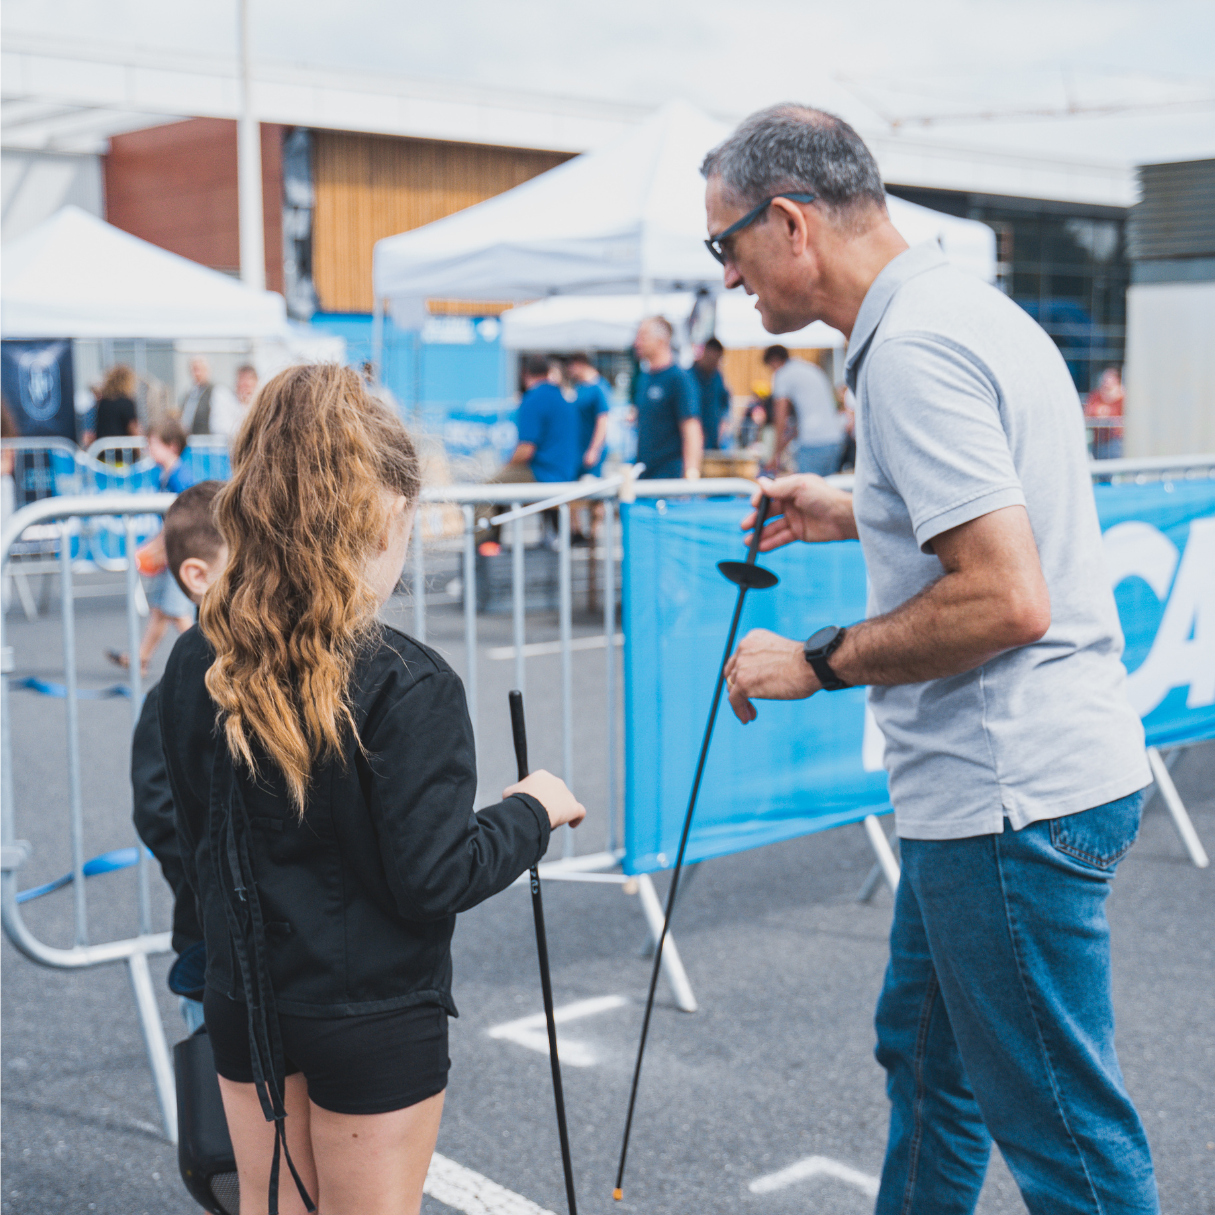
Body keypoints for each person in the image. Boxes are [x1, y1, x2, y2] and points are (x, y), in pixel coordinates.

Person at [704, 104, 1157, 1214]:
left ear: (793, 224)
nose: (728, 280)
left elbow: (1007, 595)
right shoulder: (956, 309)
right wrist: (851, 506)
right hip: (1004, 791)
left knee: (1068, 1149)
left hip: (1007, 799)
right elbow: (1000, 511)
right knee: (927, 1067)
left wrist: (816, 660)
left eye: (726, 245)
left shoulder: (909, 349)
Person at [157, 364, 586, 1214]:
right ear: (384, 509)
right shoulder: (404, 682)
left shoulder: (198, 656)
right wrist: (532, 810)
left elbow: (191, 826)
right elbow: (432, 875)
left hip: (246, 993)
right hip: (371, 1011)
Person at [131, 480, 228, 1033]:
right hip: (211, 934)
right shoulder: (169, 697)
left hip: (293, 952)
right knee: (224, 1100)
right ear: (198, 576)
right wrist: (213, 875)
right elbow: (157, 810)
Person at [106, 417, 197, 676]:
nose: (148, 448)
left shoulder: (181, 478)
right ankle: (140, 658)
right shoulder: (166, 476)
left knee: (178, 614)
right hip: (174, 553)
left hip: (181, 553)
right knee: (160, 610)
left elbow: (182, 521)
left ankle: (206, 660)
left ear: (172, 446)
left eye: (153, 443)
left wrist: (155, 548)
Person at [632, 317, 703, 480]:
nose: (637, 343)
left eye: (642, 337)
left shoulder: (679, 378)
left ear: (661, 340)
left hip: (669, 477)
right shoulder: (645, 378)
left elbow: (692, 429)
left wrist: (690, 475)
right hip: (645, 473)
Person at [764, 345, 844, 475]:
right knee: (826, 491)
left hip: (814, 443)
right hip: (834, 440)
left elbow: (780, 418)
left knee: (808, 492)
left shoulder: (783, 374)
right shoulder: (808, 368)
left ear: (774, 361)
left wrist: (775, 455)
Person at [568, 352, 611, 475]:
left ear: (580, 364)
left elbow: (602, 420)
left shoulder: (599, 388)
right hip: (578, 450)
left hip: (590, 450)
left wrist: (594, 449)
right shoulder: (579, 387)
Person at [180, 356, 238, 437]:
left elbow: (221, 426)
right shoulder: (189, 394)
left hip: (209, 443)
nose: (197, 374)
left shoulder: (217, 392)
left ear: (208, 370)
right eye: (194, 370)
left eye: (199, 370)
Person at [691, 337, 731, 451]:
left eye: (717, 360)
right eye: (711, 359)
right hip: (694, 440)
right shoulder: (688, 376)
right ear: (704, 353)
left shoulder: (717, 377)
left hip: (713, 439)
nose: (713, 363)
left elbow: (725, 403)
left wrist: (724, 424)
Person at [88, 365, 140, 446]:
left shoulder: (103, 403)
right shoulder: (127, 403)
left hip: (103, 452)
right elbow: (133, 428)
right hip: (123, 453)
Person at [210, 363, 258, 441]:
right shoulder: (225, 400)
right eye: (243, 380)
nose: (246, 384)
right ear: (236, 383)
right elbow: (220, 428)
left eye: (250, 379)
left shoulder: (262, 406)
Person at [1085, 366, 1125, 460]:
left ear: (1116, 380)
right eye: (1105, 378)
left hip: (1115, 440)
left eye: (1109, 378)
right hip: (1098, 440)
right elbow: (1089, 412)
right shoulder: (1095, 396)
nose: (1105, 381)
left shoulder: (1123, 398)